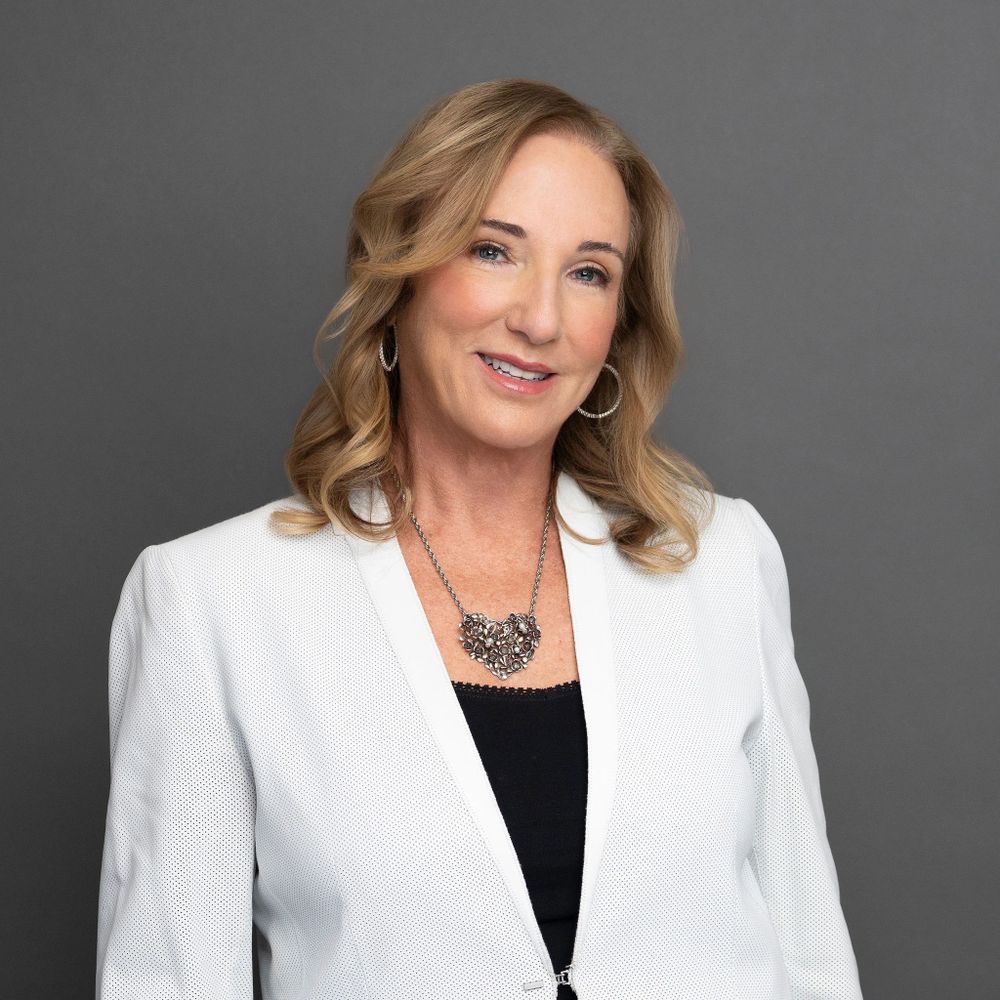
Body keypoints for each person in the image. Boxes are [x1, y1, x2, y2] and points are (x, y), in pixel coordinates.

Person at [95, 78, 864, 999]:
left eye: (589, 272)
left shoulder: (722, 560)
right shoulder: (210, 600)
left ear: (618, 323)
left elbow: (811, 954)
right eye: (493, 250)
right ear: (400, 278)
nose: (540, 319)